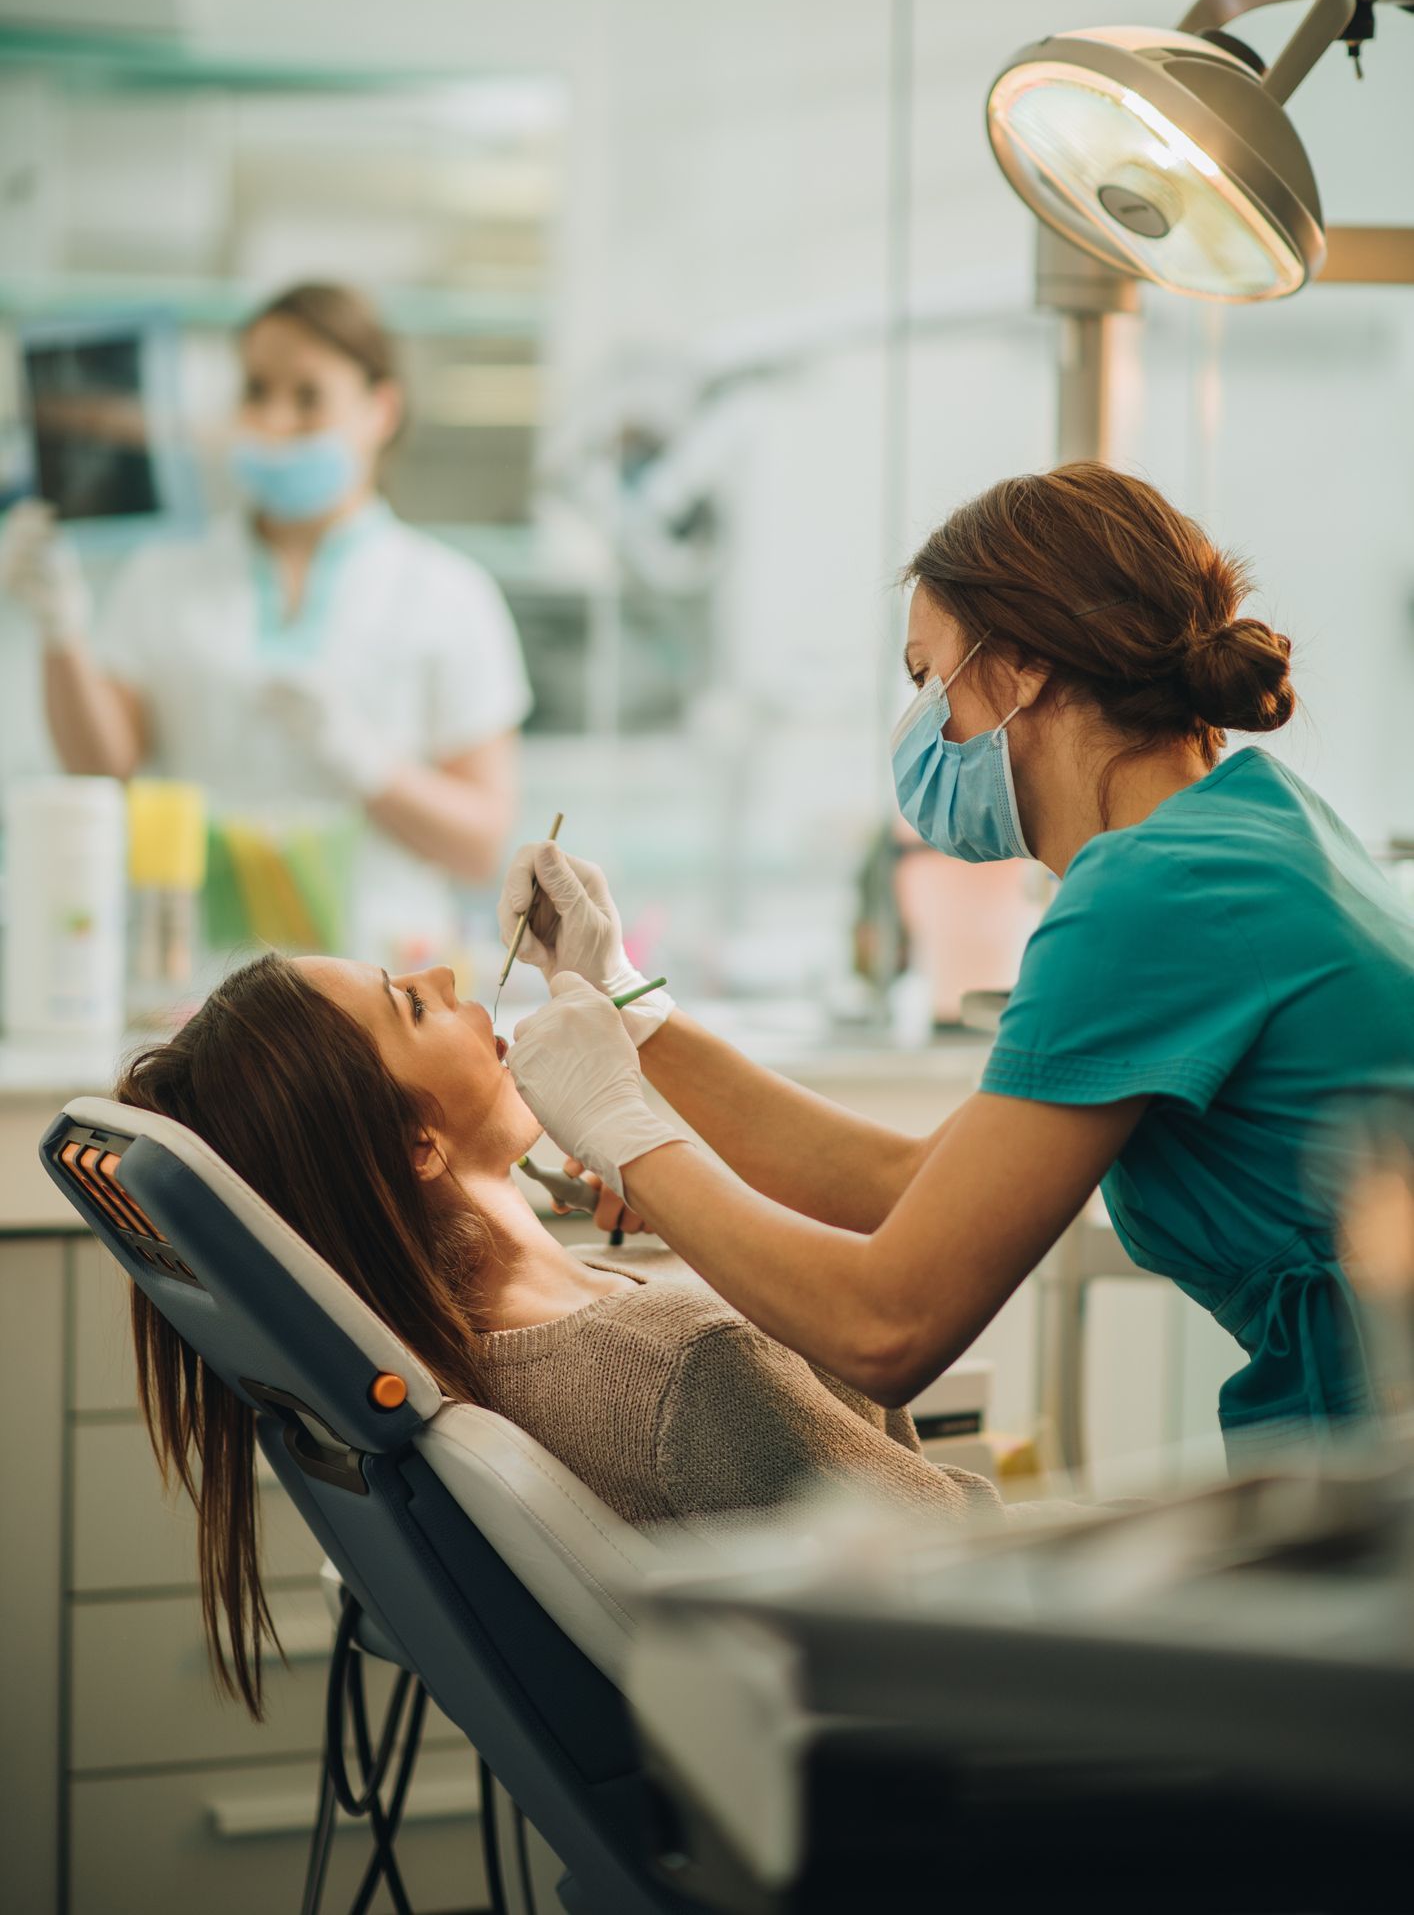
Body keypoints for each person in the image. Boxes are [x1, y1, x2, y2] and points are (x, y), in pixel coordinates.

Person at [500, 462, 1414, 1464]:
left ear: (1022, 665)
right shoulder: (1250, 828)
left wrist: (624, 1135)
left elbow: (887, 1327)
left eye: (926, 676)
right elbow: (906, 1182)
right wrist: (621, 997)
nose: (923, 723)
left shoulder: (1150, 893)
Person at [116, 952, 999, 1714]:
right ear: (417, 1143)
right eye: (412, 1003)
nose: (446, 975)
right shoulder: (681, 1364)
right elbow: (974, 1583)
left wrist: (676, 1195)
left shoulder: (475, 1343)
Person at [0, 282, 531, 958]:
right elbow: (104, 768)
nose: (276, 419)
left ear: (381, 408)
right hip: (198, 987)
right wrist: (62, 632)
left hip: (382, 987)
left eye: (308, 397)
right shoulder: (165, 573)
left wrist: (365, 761)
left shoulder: (449, 595)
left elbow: (481, 843)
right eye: (257, 391)